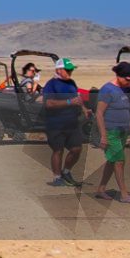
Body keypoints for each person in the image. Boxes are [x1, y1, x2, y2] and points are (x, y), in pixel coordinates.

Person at [91, 63, 130, 204]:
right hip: (111, 131)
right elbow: (99, 113)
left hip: (123, 131)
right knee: (119, 161)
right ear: (119, 76)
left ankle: (101, 189)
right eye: (128, 79)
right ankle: (123, 194)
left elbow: (126, 112)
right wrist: (103, 135)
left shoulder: (124, 90)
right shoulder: (107, 90)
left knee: (112, 161)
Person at [40, 58, 86, 188]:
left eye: (71, 70)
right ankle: (57, 177)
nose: (70, 73)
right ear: (58, 70)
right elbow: (48, 103)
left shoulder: (71, 83)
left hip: (72, 123)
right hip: (55, 124)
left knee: (77, 148)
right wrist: (69, 102)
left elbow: (77, 98)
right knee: (58, 150)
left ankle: (66, 172)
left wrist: (84, 109)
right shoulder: (51, 84)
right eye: (68, 70)